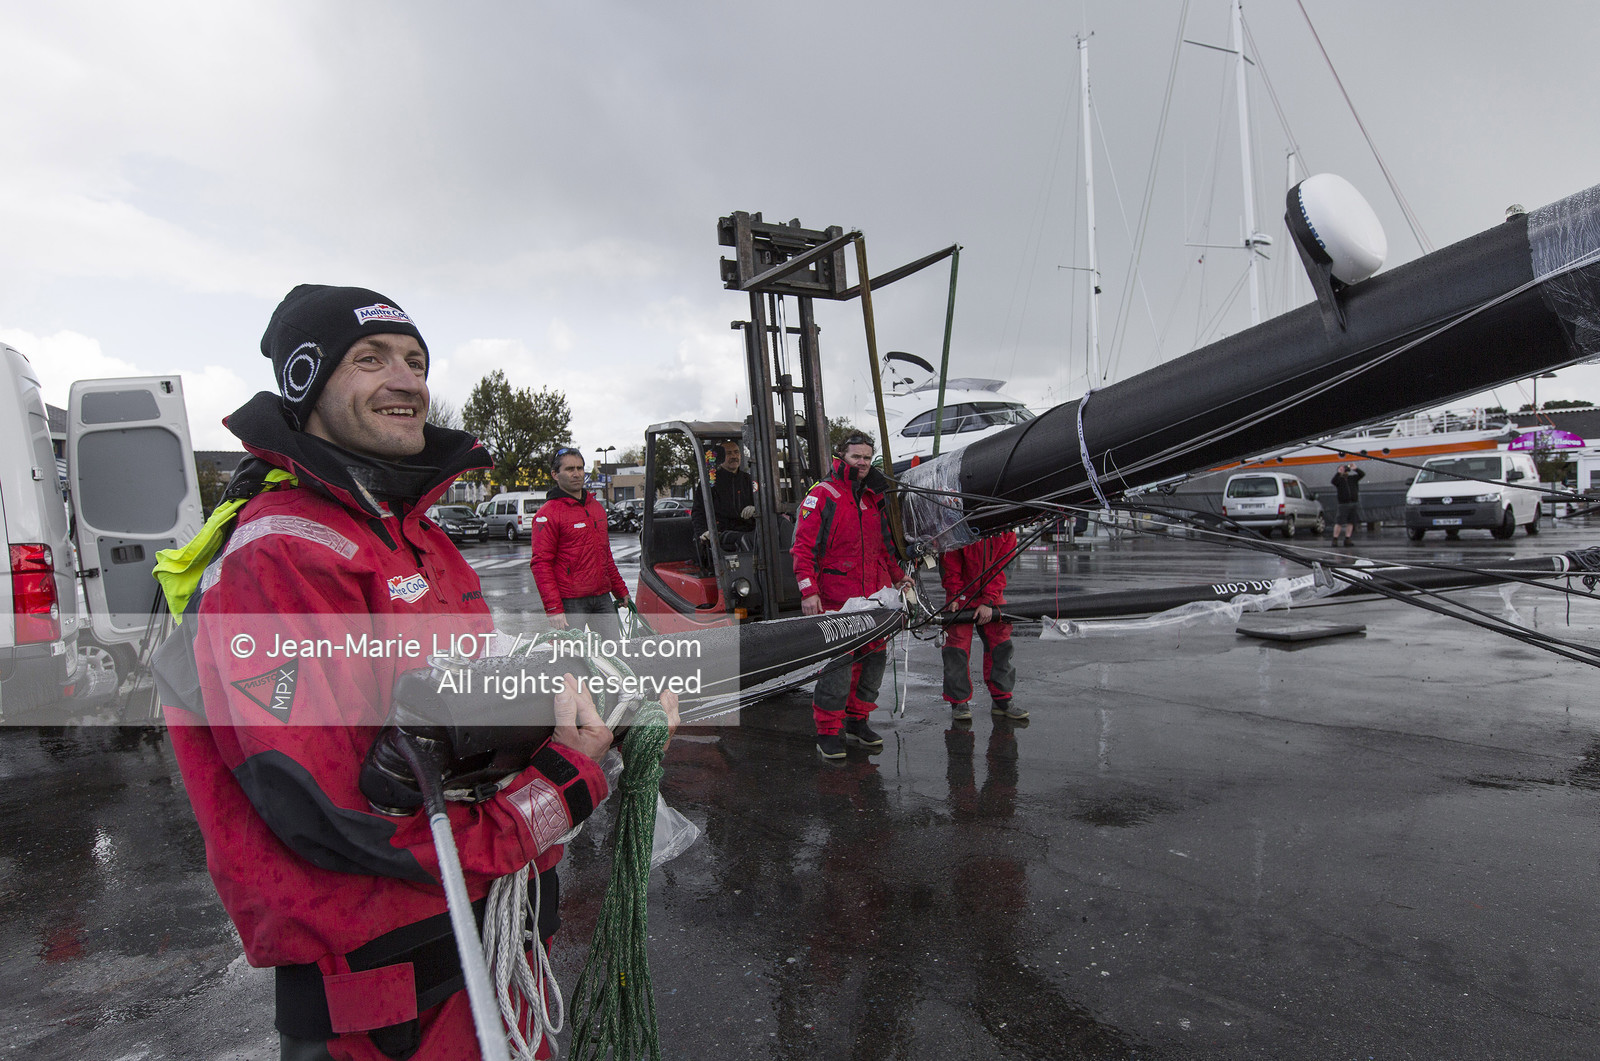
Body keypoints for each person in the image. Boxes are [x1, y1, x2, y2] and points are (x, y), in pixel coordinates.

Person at [155, 284, 665, 1061]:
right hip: (388, 1013)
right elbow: (333, 818)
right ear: (305, 383)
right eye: (370, 359)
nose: (407, 381)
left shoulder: (421, 537)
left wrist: (600, 705)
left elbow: (472, 719)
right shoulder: (278, 554)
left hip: (490, 964)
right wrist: (556, 790)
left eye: (416, 361)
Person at [791, 433, 914, 760]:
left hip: (875, 597)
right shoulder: (822, 494)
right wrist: (808, 591)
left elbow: (884, 548)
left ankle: (857, 721)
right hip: (837, 600)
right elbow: (802, 548)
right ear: (841, 456)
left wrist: (899, 577)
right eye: (856, 456)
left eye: (867, 457)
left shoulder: (872, 498)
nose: (862, 462)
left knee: (873, 663)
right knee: (838, 668)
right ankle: (828, 732)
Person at [529, 447, 630, 642]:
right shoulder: (547, 514)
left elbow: (605, 554)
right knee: (571, 656)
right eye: (569, 469)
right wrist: (553, 608)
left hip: (602, 597)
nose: (576, 474)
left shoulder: (596, 508)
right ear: (555, 474)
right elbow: (541, 564)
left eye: (580, 468)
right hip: (570, 602)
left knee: (614, 653)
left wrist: (620, 590)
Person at [940, 531, 1023, 721]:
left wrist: (988, 600)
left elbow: (1002, 567)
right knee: (956, 648)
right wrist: (954, 594)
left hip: (992, 595)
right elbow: (950, 560)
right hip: (961, 593)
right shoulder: (960, 527)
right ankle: (959, 701)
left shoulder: (1007, 532)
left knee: (1000, 644)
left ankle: (1002, 699)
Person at [692, 441, 757, 556]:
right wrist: (703, 532)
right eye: (729, 453)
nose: (734, 456)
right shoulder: (710, 482)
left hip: (748, 530)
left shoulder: (749, 480)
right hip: (721, 533)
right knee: (747, 540)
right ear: (720, 457)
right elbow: (698, 511)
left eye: (736, 452)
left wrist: (756, 509)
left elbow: (763, 503)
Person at [1331, 463, 1366, 547]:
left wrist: (1355, 468)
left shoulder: (1352, 478)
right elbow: (1333, 481)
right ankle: (1335, 539)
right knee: (1339, 522)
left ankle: (1347, 538)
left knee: (1351, 522)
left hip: (1353, 503)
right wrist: (1339, 472)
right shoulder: (1339, 480)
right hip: (1343, 504)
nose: (1344, 470)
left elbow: (1362, 474)